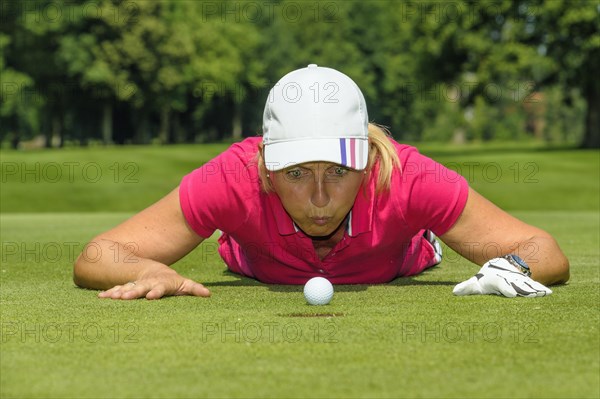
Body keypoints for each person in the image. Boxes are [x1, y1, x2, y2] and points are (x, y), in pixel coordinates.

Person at [73, 64, 570, 300]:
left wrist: (513, 266)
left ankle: (425, 242)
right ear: (266, 166)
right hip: (253, 262)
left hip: (397, 260)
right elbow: (97, 255)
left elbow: (545, 250)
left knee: (424, 245)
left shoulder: (407, 176)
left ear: (369, 155)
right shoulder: (233, 177)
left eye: (338, 171)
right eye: (295, 173)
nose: (318, 199)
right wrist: (148, 269)